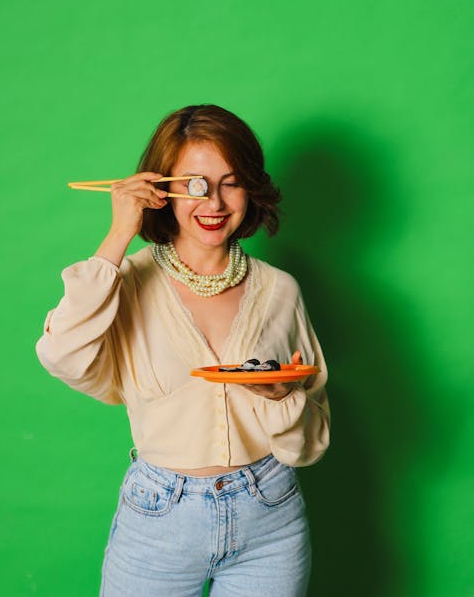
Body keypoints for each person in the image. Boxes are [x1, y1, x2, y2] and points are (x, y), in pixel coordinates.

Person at [36, 104, 330, 597]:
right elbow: (61, 354)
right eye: (193, 183)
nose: (213, 202)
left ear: (249, 188)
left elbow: (311, 443)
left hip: (271, 515)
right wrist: (118, 234)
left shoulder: (280, 290)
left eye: (230, 182)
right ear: (162, 190)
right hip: (159, 517)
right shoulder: (124, 282)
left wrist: (282, 398)